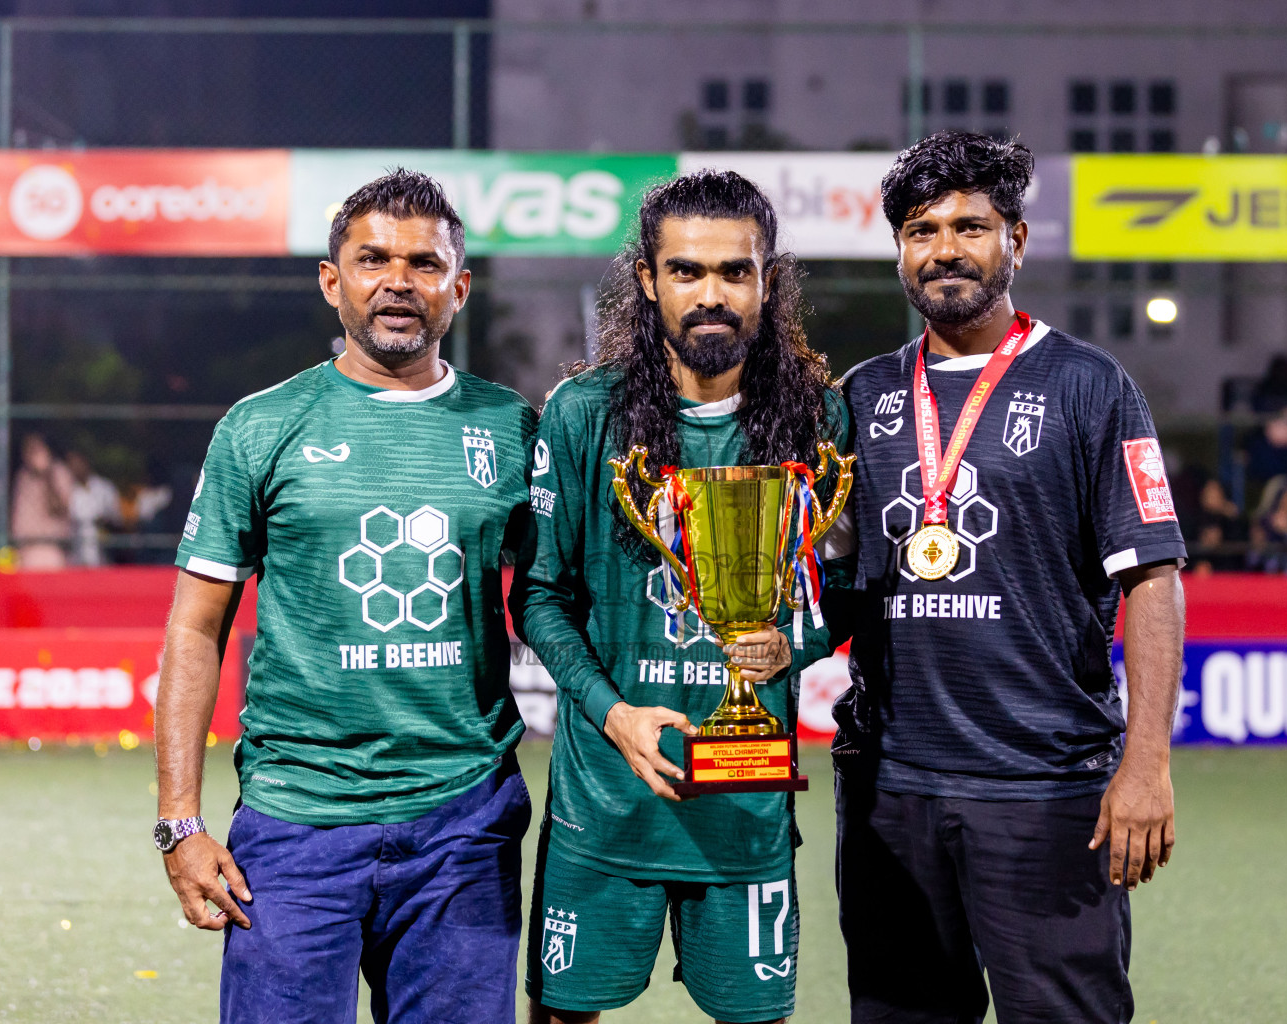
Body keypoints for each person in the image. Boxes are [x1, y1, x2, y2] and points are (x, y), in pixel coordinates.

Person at [154, 170, 536, 1024]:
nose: (398, 280)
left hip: (462, 825)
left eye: (424, 264)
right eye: (372, 259)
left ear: (459, 288)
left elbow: (559, 602)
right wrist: (179, 823)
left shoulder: (512, 428)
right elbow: (193, 630)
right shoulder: (261, 425)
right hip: (296, 825)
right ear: (333, 282)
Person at [824, 131, 1186, 1024]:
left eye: (969, 226)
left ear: (1016, 241)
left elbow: (1153, 578)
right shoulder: (860, 396)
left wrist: (1145, 764)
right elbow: (825, 576)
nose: (944, 248)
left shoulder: (1090, 386)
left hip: (1046, 789)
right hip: (891, 789)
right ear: (900, 251)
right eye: (920, 229)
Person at [511, 170, 847, 1024]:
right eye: (687, 271)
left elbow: (843, 590)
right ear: (648, 281)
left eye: (736, 272)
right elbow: (542, 597)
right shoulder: (585, 415)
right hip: (606, 809)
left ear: (769, 283)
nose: (712, 294)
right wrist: (613, 713)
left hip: (746, 807)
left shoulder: (820, 423)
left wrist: (792, 643)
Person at [11, 433, 73, 569]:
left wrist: (47, 473)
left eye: (35, 449)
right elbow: (18, 516)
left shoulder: (59, 472)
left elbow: (60, 508)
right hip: (26, 547)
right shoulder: (23, 477)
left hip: (52, 547)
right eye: (27, 450)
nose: (30, 454)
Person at [65, 450, 120, 566]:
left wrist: (103, 521)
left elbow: (117, 518)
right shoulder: (67, 490)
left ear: (86, 463)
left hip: (103, 553)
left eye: (78, 463)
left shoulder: (105, 488)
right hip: (76, 555)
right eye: (71, 464)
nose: (75, 468)